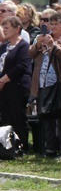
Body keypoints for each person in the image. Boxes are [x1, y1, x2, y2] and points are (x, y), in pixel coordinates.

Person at [29, 11, 61, 157]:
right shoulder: (43, 38)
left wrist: (53, 46)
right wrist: (38, 44)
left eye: (56, 23)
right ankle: (50, 149)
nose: (52, 26)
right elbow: (30, 54)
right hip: (43, 83)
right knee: (46, 117)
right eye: (51, 23)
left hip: (60, 85)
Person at [0, 16, 32, 151]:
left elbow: (22, 66)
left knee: (17, 116)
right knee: (5, 116)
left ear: (17, 28)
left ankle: (22, 145)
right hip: (3, 87)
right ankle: (7, 146)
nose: (4, 30)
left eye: (7, 28)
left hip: (17, 86)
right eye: (3, 27)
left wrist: (3, 79)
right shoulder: (3, 47)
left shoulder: (23, 46)